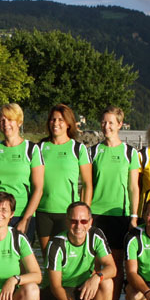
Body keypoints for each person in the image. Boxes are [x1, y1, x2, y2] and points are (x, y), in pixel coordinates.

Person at [89, 106, 140, 300]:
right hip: (96, 214)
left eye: (111, 122)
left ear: (120, 124)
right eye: (104, 122)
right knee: (94, 265)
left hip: (119, 214)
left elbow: (134, 187)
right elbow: (88, 185)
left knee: (116, 265)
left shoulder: (130, 153)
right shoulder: (93, 151)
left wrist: (134, 216)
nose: (106, 126)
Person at [41, 202, 115, 300]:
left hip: (82, 287)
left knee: (107, 282)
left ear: (90, 222)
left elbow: (112, 268)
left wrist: (96, 277)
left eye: (83, 221)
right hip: (57, 291)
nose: (78, 226)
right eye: (74, 221)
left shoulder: (96, 235)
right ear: (67, 222)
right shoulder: (56, 244)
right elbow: (55, 287)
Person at [37, 104, 92, 252]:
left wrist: (84, 214)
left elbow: (87, 184)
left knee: (66, 257)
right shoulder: (40, 147)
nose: (56, 123)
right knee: (48, 258)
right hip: (43, 211)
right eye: (53, 119)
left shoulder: (78, 148)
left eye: (60, 120)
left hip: (68, 214)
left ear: (68, 123)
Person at [0, 103, 44, 244]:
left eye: (10, 119)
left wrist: (26, 219)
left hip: (21, 214)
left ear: (19, 122)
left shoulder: (31, 149)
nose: (5, 123)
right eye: (2, 120)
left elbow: (38, 189)